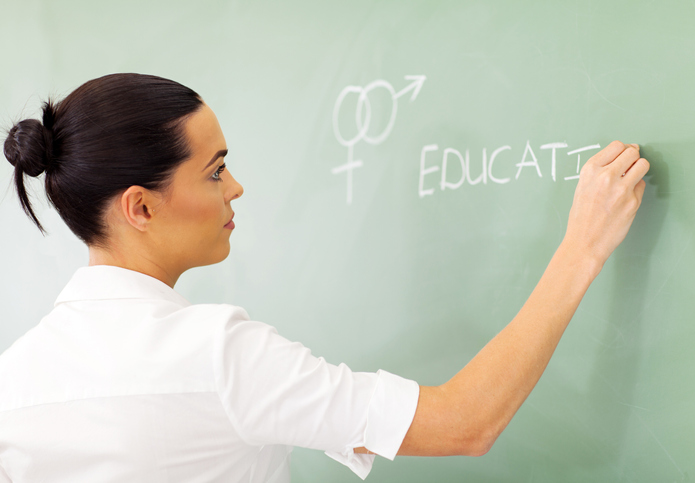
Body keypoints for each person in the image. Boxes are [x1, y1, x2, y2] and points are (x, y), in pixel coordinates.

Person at [0, 73, 649, 483]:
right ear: (140, 206)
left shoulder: (14, 378)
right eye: (214, 170)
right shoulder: (218, 355)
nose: (237, 187)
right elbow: (464, 422)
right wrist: (584, 246)